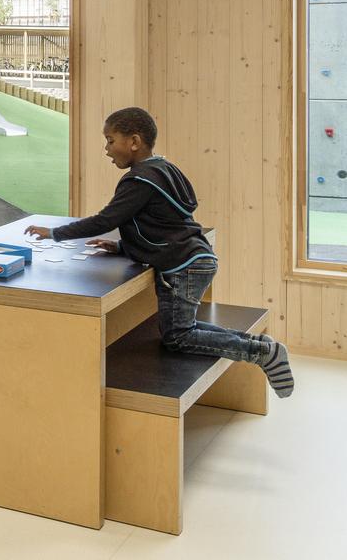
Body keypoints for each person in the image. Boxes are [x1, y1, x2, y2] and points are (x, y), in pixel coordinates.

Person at [26, 107, 293, 398]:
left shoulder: (139, 179)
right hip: (195, 258)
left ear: (134, 141)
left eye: (110, 140)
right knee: (182, 328)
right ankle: (257, 344)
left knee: (177, 337)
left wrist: (54, 233)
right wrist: (120, 246)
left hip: (182, 267)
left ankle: (261, 352)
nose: (106, 149)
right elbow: (159, 224)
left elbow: (106, 220)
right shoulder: (163, 168)